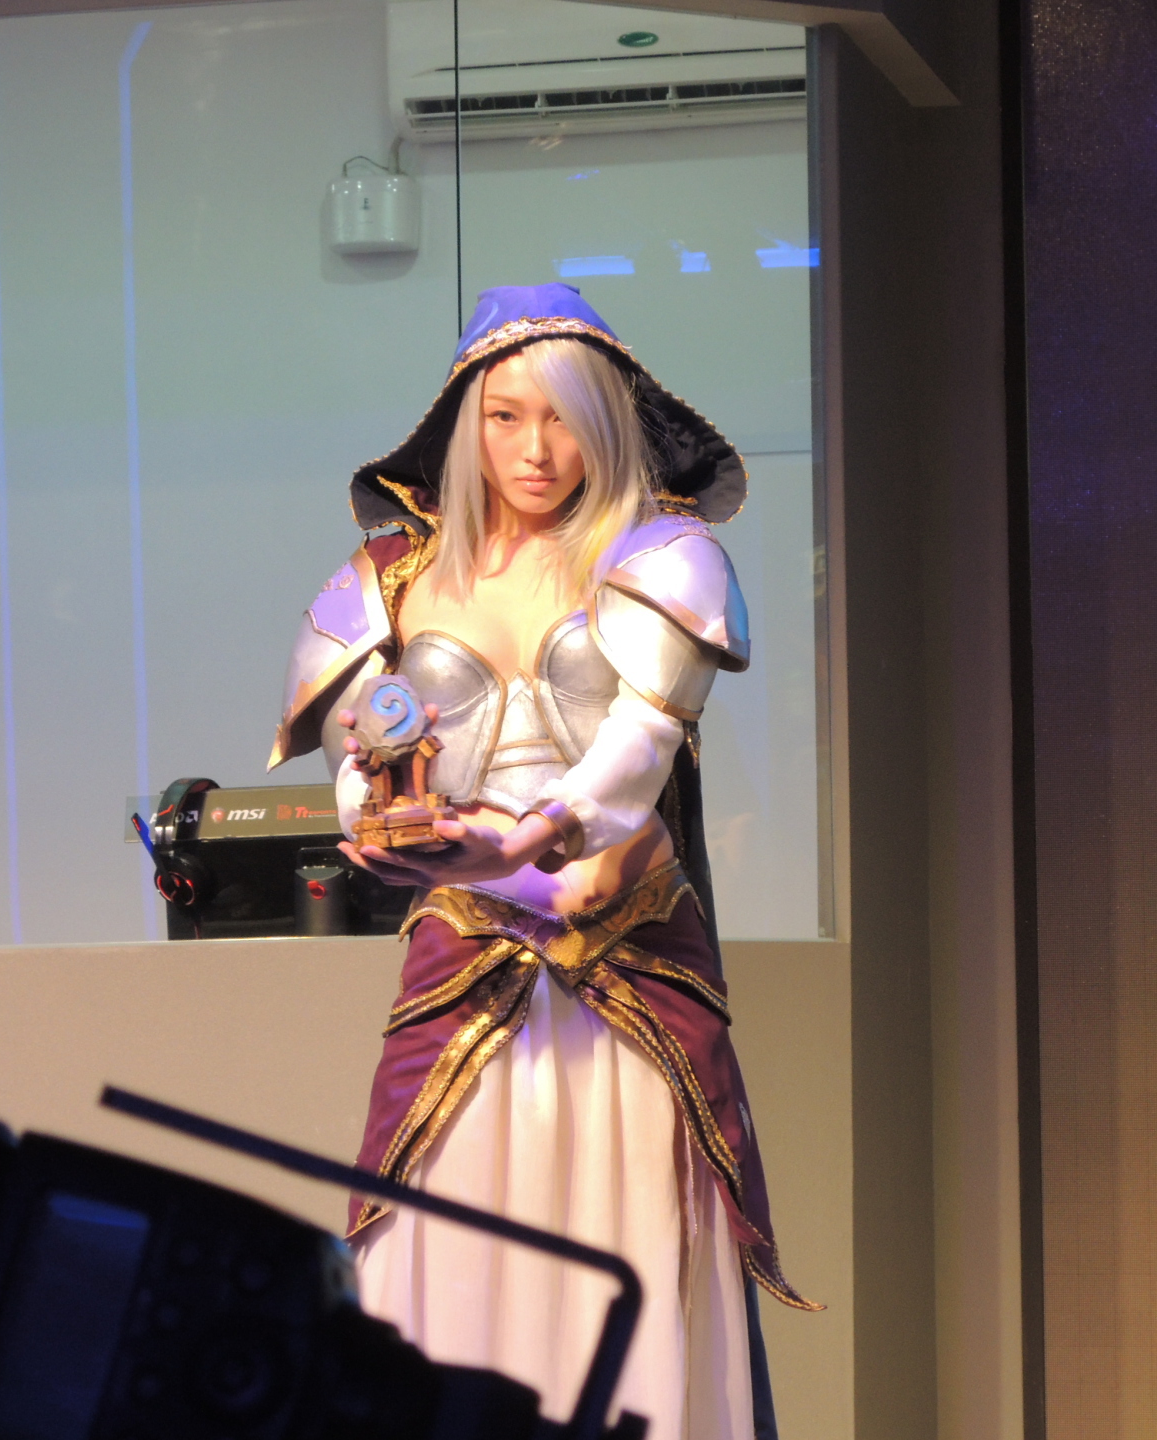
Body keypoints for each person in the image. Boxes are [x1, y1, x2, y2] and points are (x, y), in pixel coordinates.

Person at [269, 285, 816, 1440]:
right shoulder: (390, 579)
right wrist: (402, 834)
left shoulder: (665, 554)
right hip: (465, 972)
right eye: (507, 417)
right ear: (465, 424)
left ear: (606, 422)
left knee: (627, 1256)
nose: (534, 449)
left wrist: (536, 842)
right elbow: (363, 772)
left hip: (623, 965)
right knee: (446, 1261)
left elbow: (641, 747)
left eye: (562, 418)